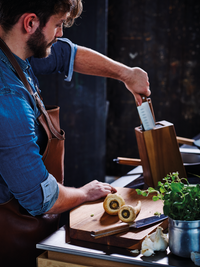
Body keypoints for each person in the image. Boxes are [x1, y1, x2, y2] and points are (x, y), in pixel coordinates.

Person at [0, 0, 150, 266]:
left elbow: (65, 55)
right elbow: (40, 199)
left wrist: (126, 74)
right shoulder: (8, 98)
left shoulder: (13, 49)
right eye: (58, 25)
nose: (61, 34)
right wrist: (84, 193)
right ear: (30, 23)